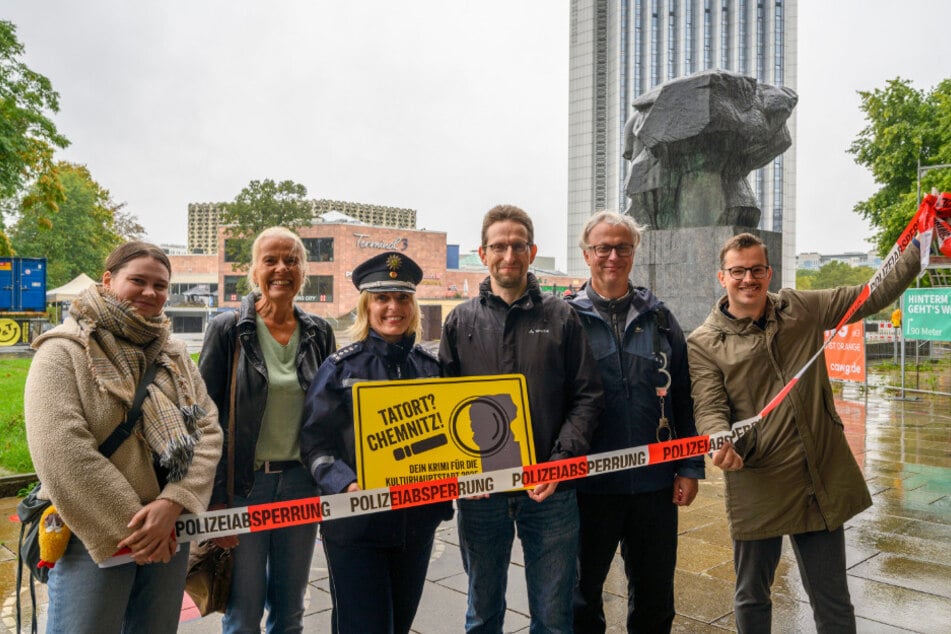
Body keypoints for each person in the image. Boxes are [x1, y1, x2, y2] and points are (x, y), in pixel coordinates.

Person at [687, 232, 923, 633]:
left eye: (757, 270)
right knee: (752, 593)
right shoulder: (705, 342)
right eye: (738, 271)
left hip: (819, 476)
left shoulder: (799, 308)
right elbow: (709, 406)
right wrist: (717, 440)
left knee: (832, 599)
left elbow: (871, 293)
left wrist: (919, 247)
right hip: (759, 478)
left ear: (769, 272)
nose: (748, 279)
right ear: (721, 276)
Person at [24, 241, 222, 633]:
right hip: (92, 531)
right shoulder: (63, 351)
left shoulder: (175, 353)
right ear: (108, 279)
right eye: (139, 281)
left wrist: (174, 502)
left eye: (161, 285)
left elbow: (208, 431)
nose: (151, 293)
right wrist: (139, 528)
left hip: (169, 531)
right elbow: (62, 451)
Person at [439, 204, 604, 633]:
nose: (508, 255)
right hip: (482, 494)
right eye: (499, 246)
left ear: (532, 252)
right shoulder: (459, 321)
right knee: (482, 613)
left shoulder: (562, 316)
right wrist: (460, 470)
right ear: (482, 252)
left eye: (517, 245)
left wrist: (560, 460)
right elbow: (442, 404)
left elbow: (587, 396)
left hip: (549, 489)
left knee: (553, 617)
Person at [300, 251, 453, 634]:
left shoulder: (431, 369)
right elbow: (314, 444)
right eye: (382, 298)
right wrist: (346, 485)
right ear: (367, 306)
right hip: (357, 526)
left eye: (402, 298)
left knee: (398, 625)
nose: (393, 307)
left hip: (416, 525)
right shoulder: (340, 368)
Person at [566, 211, 704, 633]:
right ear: (586, 254)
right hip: (589, 485)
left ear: (634, 252)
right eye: (602, 248)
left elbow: (684, 394)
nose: (613, 256)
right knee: (581, 597)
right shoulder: (565, 320)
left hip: (654, 485)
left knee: (655, 597)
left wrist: (690, 466)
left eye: (622, 247)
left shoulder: (660, 318)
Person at [199, 226, 336, 633]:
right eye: (271, 260)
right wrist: (215, 499)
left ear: (304, 272)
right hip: (244, 488)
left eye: (291, 260)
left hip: (300, 484)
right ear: (254, 271)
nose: (281, 268)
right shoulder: (228, 330)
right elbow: (206, 417)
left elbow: (332, 413)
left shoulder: (319, 333)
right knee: (243, 613)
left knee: (290, 610)